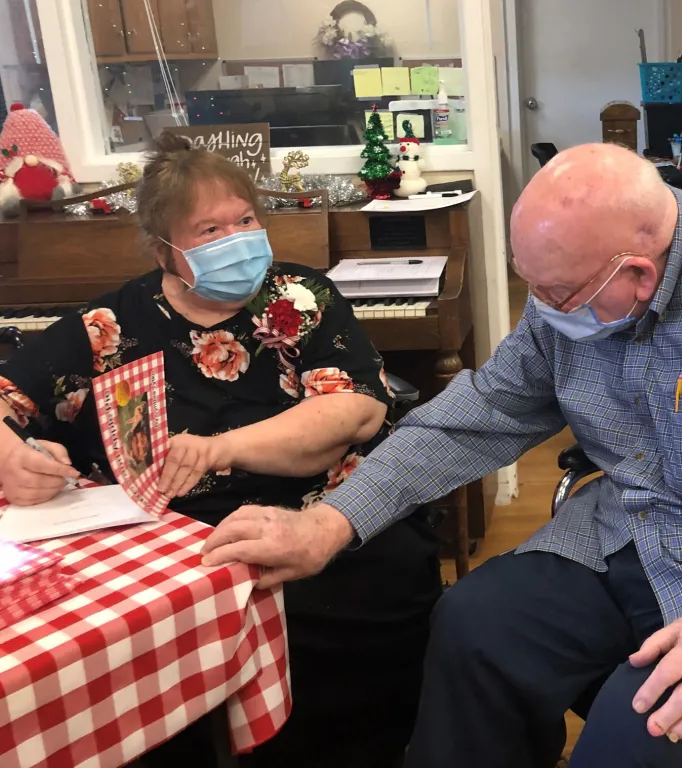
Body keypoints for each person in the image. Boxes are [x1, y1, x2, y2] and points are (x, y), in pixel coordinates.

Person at [200, 143, 682, 767]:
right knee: (471, 627)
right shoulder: (570, 294)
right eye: (534, 290)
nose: (543, 312)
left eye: (557, 295)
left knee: (639, 730)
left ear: (639, 275)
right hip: (625, 532)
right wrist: (328, 522)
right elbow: (478, 416)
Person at [0, 132, 442, 767]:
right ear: (164, 250)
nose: (237, 239)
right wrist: (11, 457)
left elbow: (355, 408)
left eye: (245, 220)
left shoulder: (299, 297)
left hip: (327, 513)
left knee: (370, 591)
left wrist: (217, 449)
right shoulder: (110, 325)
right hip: (188, 543)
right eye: (209, 230)